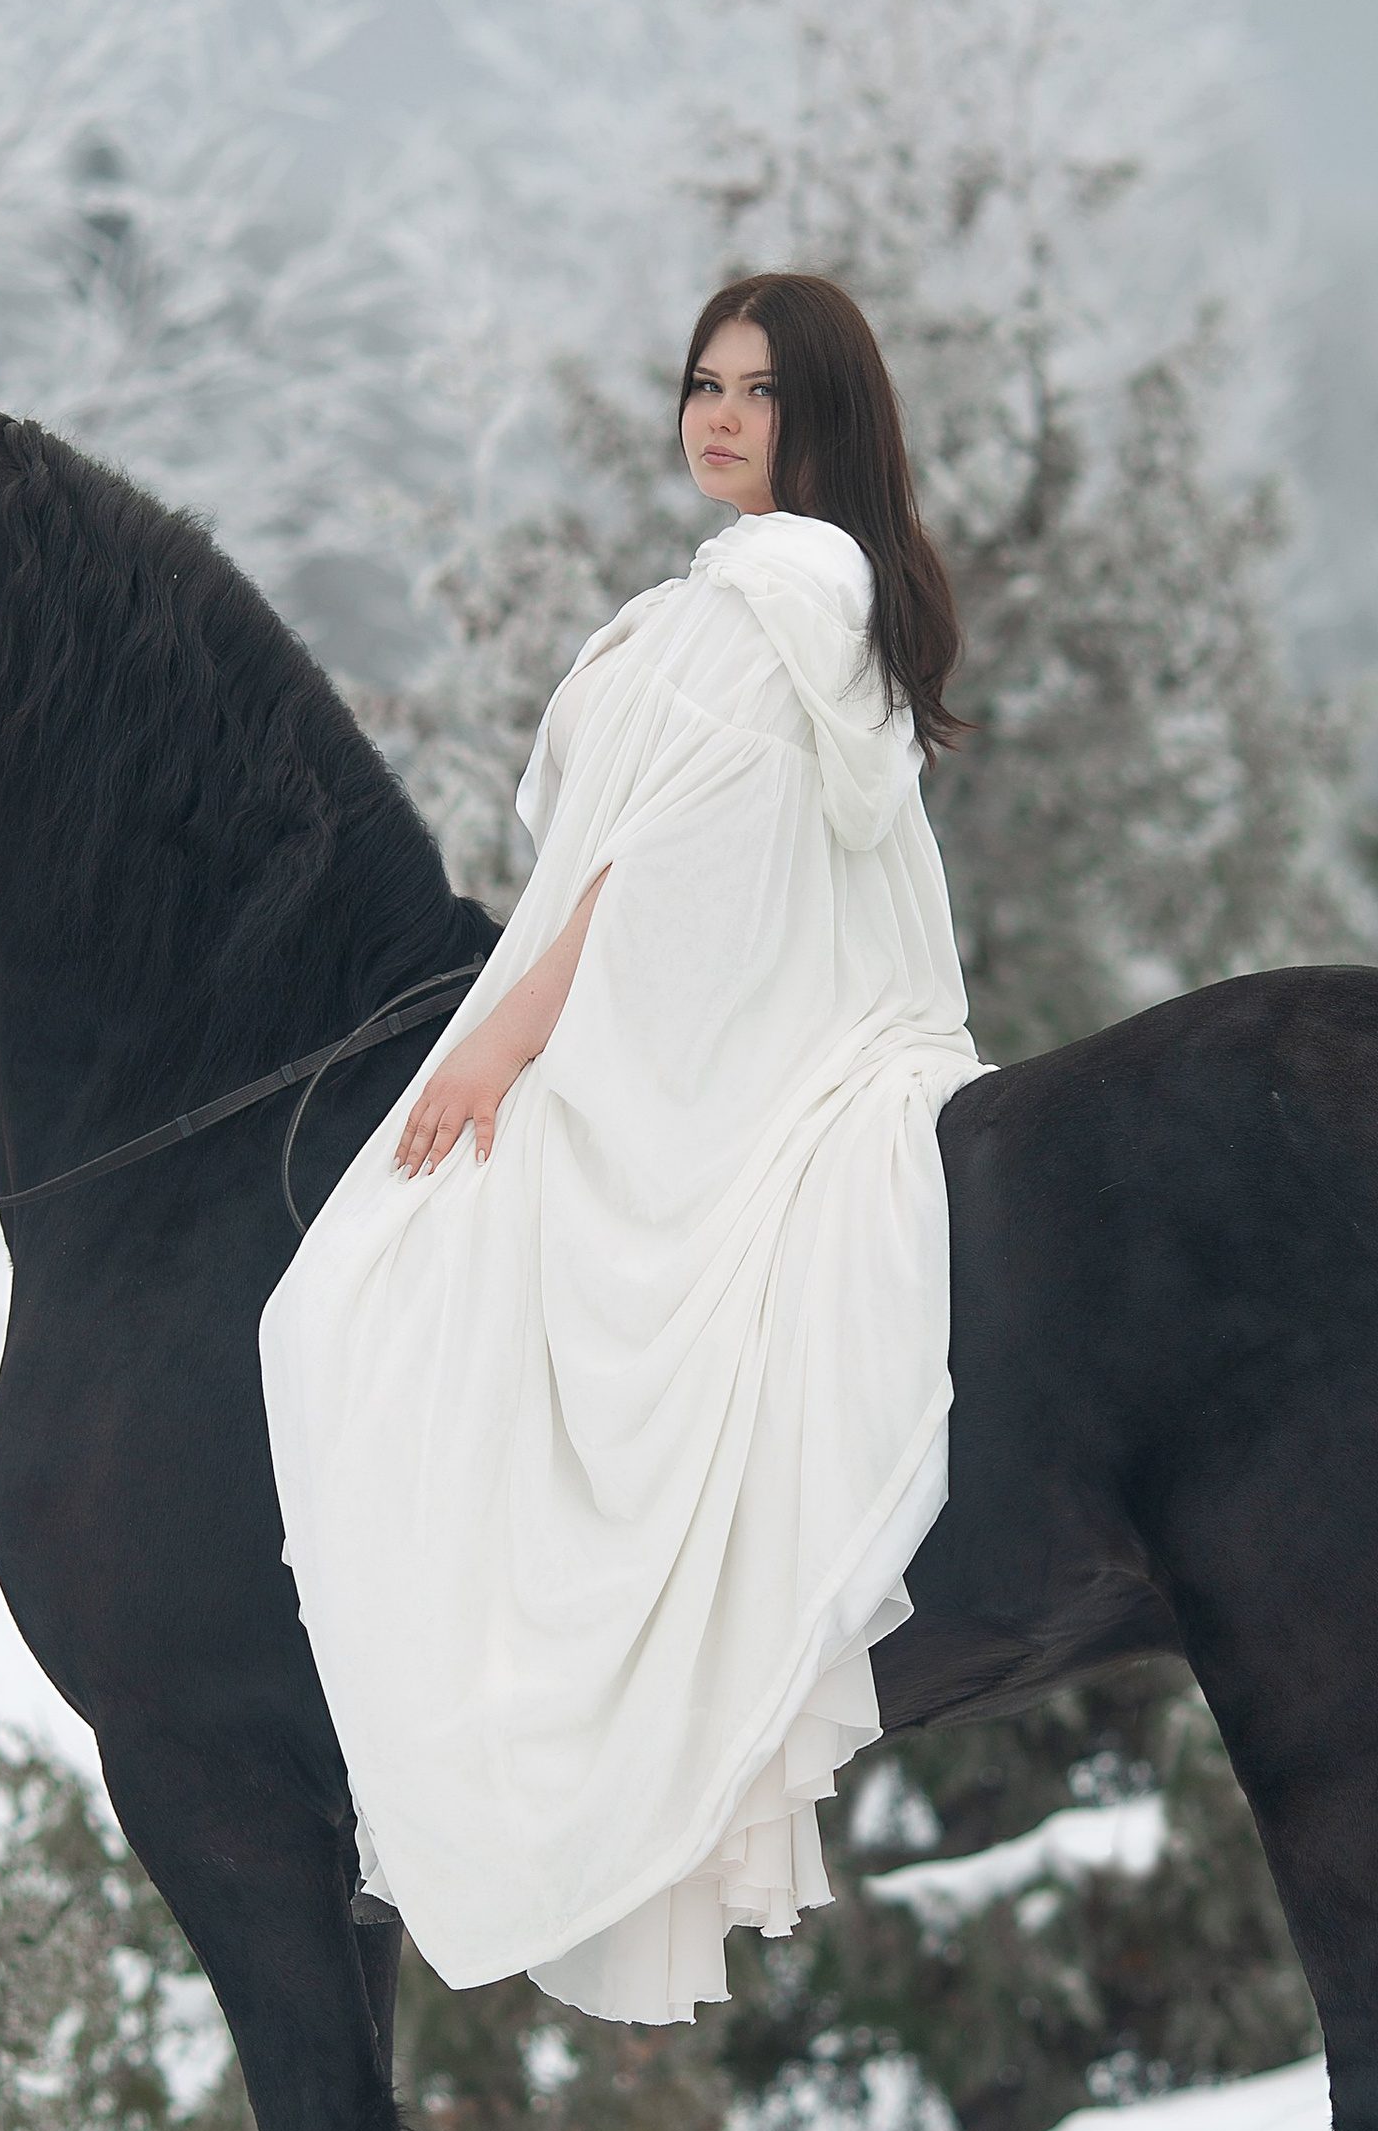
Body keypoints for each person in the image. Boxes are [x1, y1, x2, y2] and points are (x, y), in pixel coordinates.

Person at [258, 273, 984, 2023]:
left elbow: (659, 886)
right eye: (702, 384)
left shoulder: (766, 608)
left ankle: (514, 1734)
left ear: (827, 415)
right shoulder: (761, 598)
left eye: (759, 390)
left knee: (357, 1291)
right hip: (730, 1011)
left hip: (716, 1039)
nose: (720, 417)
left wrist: (504, 1038)